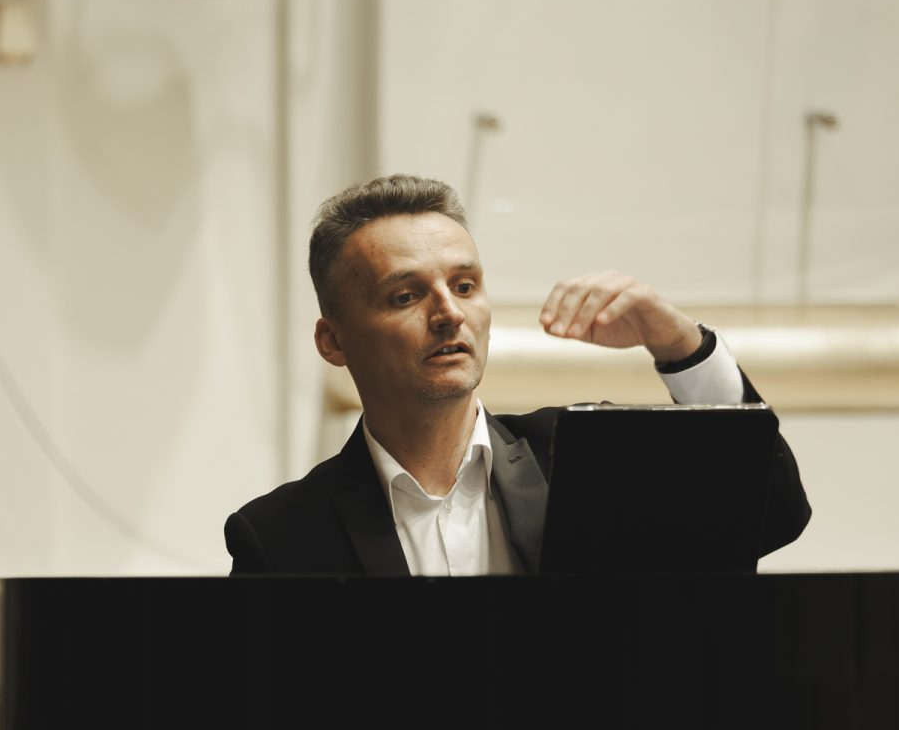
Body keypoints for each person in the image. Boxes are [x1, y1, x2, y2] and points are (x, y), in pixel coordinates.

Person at [224, 173, 811, 575]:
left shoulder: (589, 460)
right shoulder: (279, 537)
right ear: (333, 341)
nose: (449, 313)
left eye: (464, 286)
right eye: (405, 295)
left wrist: (681, 345)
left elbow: (774, 511)